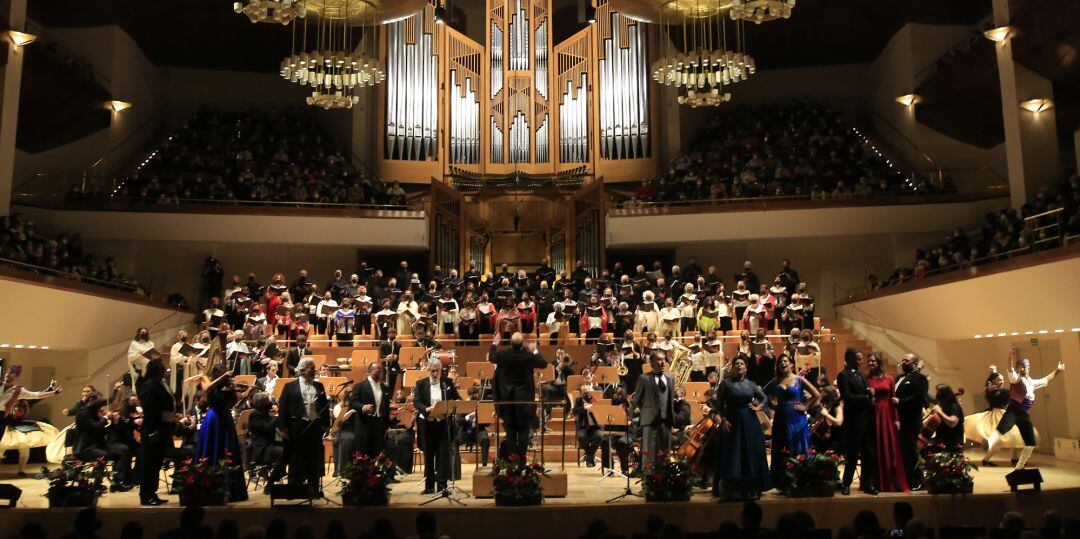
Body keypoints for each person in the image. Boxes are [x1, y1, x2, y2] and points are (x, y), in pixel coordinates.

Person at [982, 348, 1065, 469]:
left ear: (1028, 368)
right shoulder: (1016, 379)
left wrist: (1058, 370)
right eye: (1019, 367)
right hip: (1013, 411)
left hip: (1024, 414)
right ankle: (988, 444)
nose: (1020, 369)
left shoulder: (1032, 383)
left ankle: (1020, 465)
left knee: (1031, 443)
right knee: (1003, 428)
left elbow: (1046, 379)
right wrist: (1010, 356)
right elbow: (1010, 369)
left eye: (1023, 367)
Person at [710, 355, 769, 499]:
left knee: (749, 452)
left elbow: (764, 398)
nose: (738, 366)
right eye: (736, 363)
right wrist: (723, 419)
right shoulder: (726, 384)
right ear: (732, 367)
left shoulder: (751, 384)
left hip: (750, 422)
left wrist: (758, 407)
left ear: (746, 368)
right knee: (733, 454)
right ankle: (732, 489)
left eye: (741, 364)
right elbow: (717, 405)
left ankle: (751, 488)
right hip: (732, 421)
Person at [487, 332, 546, 458]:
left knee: (510, 433)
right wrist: (534, 350)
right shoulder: (528, 356)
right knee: (524, 432)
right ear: (522, 343)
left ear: (510, 342)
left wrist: (495, 343)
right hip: (524, 403)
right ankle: (521, 462)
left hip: (508, 402)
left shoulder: (503, 355)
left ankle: (512, 461)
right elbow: (543, 363)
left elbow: (491, 357)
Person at [195, 362, 248, 502]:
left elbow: (235, 405)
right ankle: (209, 487)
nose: (225, 374)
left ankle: (231, 490)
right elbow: (206, 389)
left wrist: (247, 393)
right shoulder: (212, 386)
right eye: (222, 372)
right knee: (213, 450)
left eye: (225, 372)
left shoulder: (230, 386)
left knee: (229, 451)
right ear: (217, 373)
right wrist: (223, 377)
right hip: (214, 421)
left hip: (226, 420)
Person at [766, 354, 819, 492]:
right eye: (780, 362)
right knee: (781, 448)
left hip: (797, 419)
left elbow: (817, 394)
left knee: (798, 447)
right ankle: (783, 483)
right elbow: (763, 393)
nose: (782, 364)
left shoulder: (799, 379)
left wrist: (806, 406)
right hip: (781, 419)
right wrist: (772, 406)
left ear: (791, 365)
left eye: (785, 361)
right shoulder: (775, 380)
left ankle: (801, 481)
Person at [277, 357, 331, 495]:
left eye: (314, 368)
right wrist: (283, 428)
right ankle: (294, 488)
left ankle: (313, 487)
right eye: (311, 368)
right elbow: (283, 408)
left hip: (314, 426)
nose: (314, 371)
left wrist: (326, 425)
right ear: (301, 371)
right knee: (296, 457)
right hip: (297, 426)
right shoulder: (290, 386)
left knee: (314, 457)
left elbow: (324, 406)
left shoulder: (319, 386)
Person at [412, 359, 461, 494]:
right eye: (432, 370)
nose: (434, 373)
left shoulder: (447, 383)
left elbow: (456, 398)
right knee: (428, 456)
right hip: (427, 424)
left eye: (437, 370)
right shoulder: (421, 384)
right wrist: (427, 409)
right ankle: (428, 487)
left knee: (443, 455)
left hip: (442, 424)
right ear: (428, 370)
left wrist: (457, 404)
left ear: (441, 371)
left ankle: (442, 486)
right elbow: (416, 402)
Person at [74, 392, 135, 491]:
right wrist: (105, 417)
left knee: (121, 453)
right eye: (99, 401)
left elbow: (102, 431)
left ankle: (116, 483)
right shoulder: (82, 413)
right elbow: (95, 428)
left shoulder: (93, 411)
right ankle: (96, 483)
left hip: (97, 445)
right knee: (104, 455)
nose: (101, 404)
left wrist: (114, 423)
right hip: (85, 448)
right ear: (91, 400)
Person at [836, 348, 877, 495]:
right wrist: (866, 398)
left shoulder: (861, 375)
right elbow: (847, 396)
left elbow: (864, 391)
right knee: (852, 455)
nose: (861, 362)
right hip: (854, 420)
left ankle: (867, 483)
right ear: (850, 359)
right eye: (858, 359)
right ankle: (846, 484)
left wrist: (870, 393)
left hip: (866, 420)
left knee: (868, 454)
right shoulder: (843, 375)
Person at [866, 353, 908, 492]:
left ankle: (892, 480)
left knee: (889, 446)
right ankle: (877, 482)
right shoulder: (866, 379)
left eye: (873, 361)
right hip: (873, 413)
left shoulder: (889, 378)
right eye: (869, 361)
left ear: (878, 362)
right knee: (876, 447)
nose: (871, 363)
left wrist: (897, 419)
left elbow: (893, 400)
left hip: (888, 414)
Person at [965, 366, 1026, 462]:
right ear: (993, 381)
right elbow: (993, 390)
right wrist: (993, 373)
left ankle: (1014, 457)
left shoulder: (1001, 390)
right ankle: (986, 459)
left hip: (1003, 413)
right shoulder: (991, 390)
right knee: (999, 439)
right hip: (996, 415)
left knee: (1013, 436)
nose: (1002, 381)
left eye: (1003, 380)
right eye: (999, 380)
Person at [136, 359, 174, 506]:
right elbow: (150, 410)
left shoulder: (158, 384)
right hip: (153, 429)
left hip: (162, 428)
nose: (163, 371)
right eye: (161, 369)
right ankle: (146, 496)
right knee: (149, 464)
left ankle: (152, 493)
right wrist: (153, 431)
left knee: (156, 463)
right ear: (156, 370)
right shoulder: (148, 386)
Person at [632, 351, 676, 468]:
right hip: (650, 421)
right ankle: (648, 481)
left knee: (665, 453)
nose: (663, 363)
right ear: (651, 362)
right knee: (649, 453)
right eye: (659, 360)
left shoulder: (670, 378)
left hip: (666, 421)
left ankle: (664, 480)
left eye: (664, 360)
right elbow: (636, 399)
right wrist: (645, 411)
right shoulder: (644, 378)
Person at [894, 353, 929, 489]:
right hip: (899, 421)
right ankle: (907, 480)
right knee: (903, 453)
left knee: (912, 453)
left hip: (911, 422)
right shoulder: (898, 378)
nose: (903, 362)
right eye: (902, 360)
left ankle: (919, 481)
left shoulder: (920, 378)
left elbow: (919, 398)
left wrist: (900, 401)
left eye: (907, 361)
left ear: (914, 364)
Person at [247, 393, 285, 491]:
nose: (270, 403)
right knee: (283, 453)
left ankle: (290, 479)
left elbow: (274, 427)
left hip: (270, 445)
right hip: (262, 449)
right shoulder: (254, 415)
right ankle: (270, 484)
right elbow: (267, 428)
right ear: (261, 404)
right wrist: (276, 416)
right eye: (267, 402)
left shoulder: (264, 413)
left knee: (289, 449)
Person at [352, 361, 390, 456]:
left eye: (381, 371)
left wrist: (386, 426)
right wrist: (363, 407)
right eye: (377, 371)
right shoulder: (360, 386)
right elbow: (353, 402)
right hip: (364, 424)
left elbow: (386, 408)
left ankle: (374, 471)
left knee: (376, 452)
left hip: (378, 424)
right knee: (363, 453)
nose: (379, 373)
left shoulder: (384, 388)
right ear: (370, 371)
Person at [573, 385, 607, 468]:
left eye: (589, 391)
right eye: (585, 392)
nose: (587, 393)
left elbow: (603, 413)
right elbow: (574, 411)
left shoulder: (596, 400)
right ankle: (591, 456)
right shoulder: (579, 400)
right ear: (581, 393)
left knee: (599, 435)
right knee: (581, 436)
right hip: (583, 427)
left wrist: (594, 408)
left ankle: (589, 456)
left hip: (595, 427)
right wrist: (584, 408)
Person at [926, 384, 964, 453]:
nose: (935, 394)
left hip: (952, 442)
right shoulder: (943, 406)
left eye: (937, 392)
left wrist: (939, 412)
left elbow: (952, 423)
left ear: (943, 394)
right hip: (941, 439)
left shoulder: (954, 406)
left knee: (925, 447)